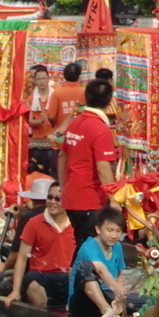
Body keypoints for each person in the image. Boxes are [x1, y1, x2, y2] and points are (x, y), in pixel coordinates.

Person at [59, 79, 120, 248]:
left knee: (82, 247)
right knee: (89, 252)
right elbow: (102, 167)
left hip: (72, 196)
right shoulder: (100, 129)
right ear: (109, 101)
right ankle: (77, 275)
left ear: (86, 97)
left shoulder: (75, 123)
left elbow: (61, 156)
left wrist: (64, 186)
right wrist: (113, 200)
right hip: (90, 200)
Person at [3, 185, 75, 309]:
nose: (52, 202)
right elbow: (22, 259)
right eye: (49, 197)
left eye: (58, 199)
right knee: (32, 279)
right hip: (41, 276)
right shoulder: (33, 223)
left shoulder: (76, 224)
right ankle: (42, 313)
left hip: (67, 275)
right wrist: (15, 290)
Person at [67, 207, 130, 317]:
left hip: (106, 295)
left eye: (118, 231)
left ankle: (112, 312)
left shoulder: (117, 247)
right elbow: (100, 270)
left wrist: (119, 298)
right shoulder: (88, 246)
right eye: (110, 230)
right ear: (98, 229)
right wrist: (116, 288)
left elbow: (120, 273)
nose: (114, 235)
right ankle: (106, 310)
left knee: (144, 300)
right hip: (82, 301)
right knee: (86, 266)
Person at [26, 65, 56, 174]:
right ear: (35, 81)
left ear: (48, 79)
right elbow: (29, 121)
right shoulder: (30, 99)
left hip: (54, 139)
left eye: (44, 79)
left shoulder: (56, 95)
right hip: (38, 140)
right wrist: (39, 121)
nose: (42, 81)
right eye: (39, 79)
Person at [47, 62, 86, 137]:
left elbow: (51, 116)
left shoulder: (57, 92)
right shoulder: (84, 92)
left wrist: (56, 125)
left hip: (61, 135)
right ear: (79, 76)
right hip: (79, 134)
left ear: (64, 75)